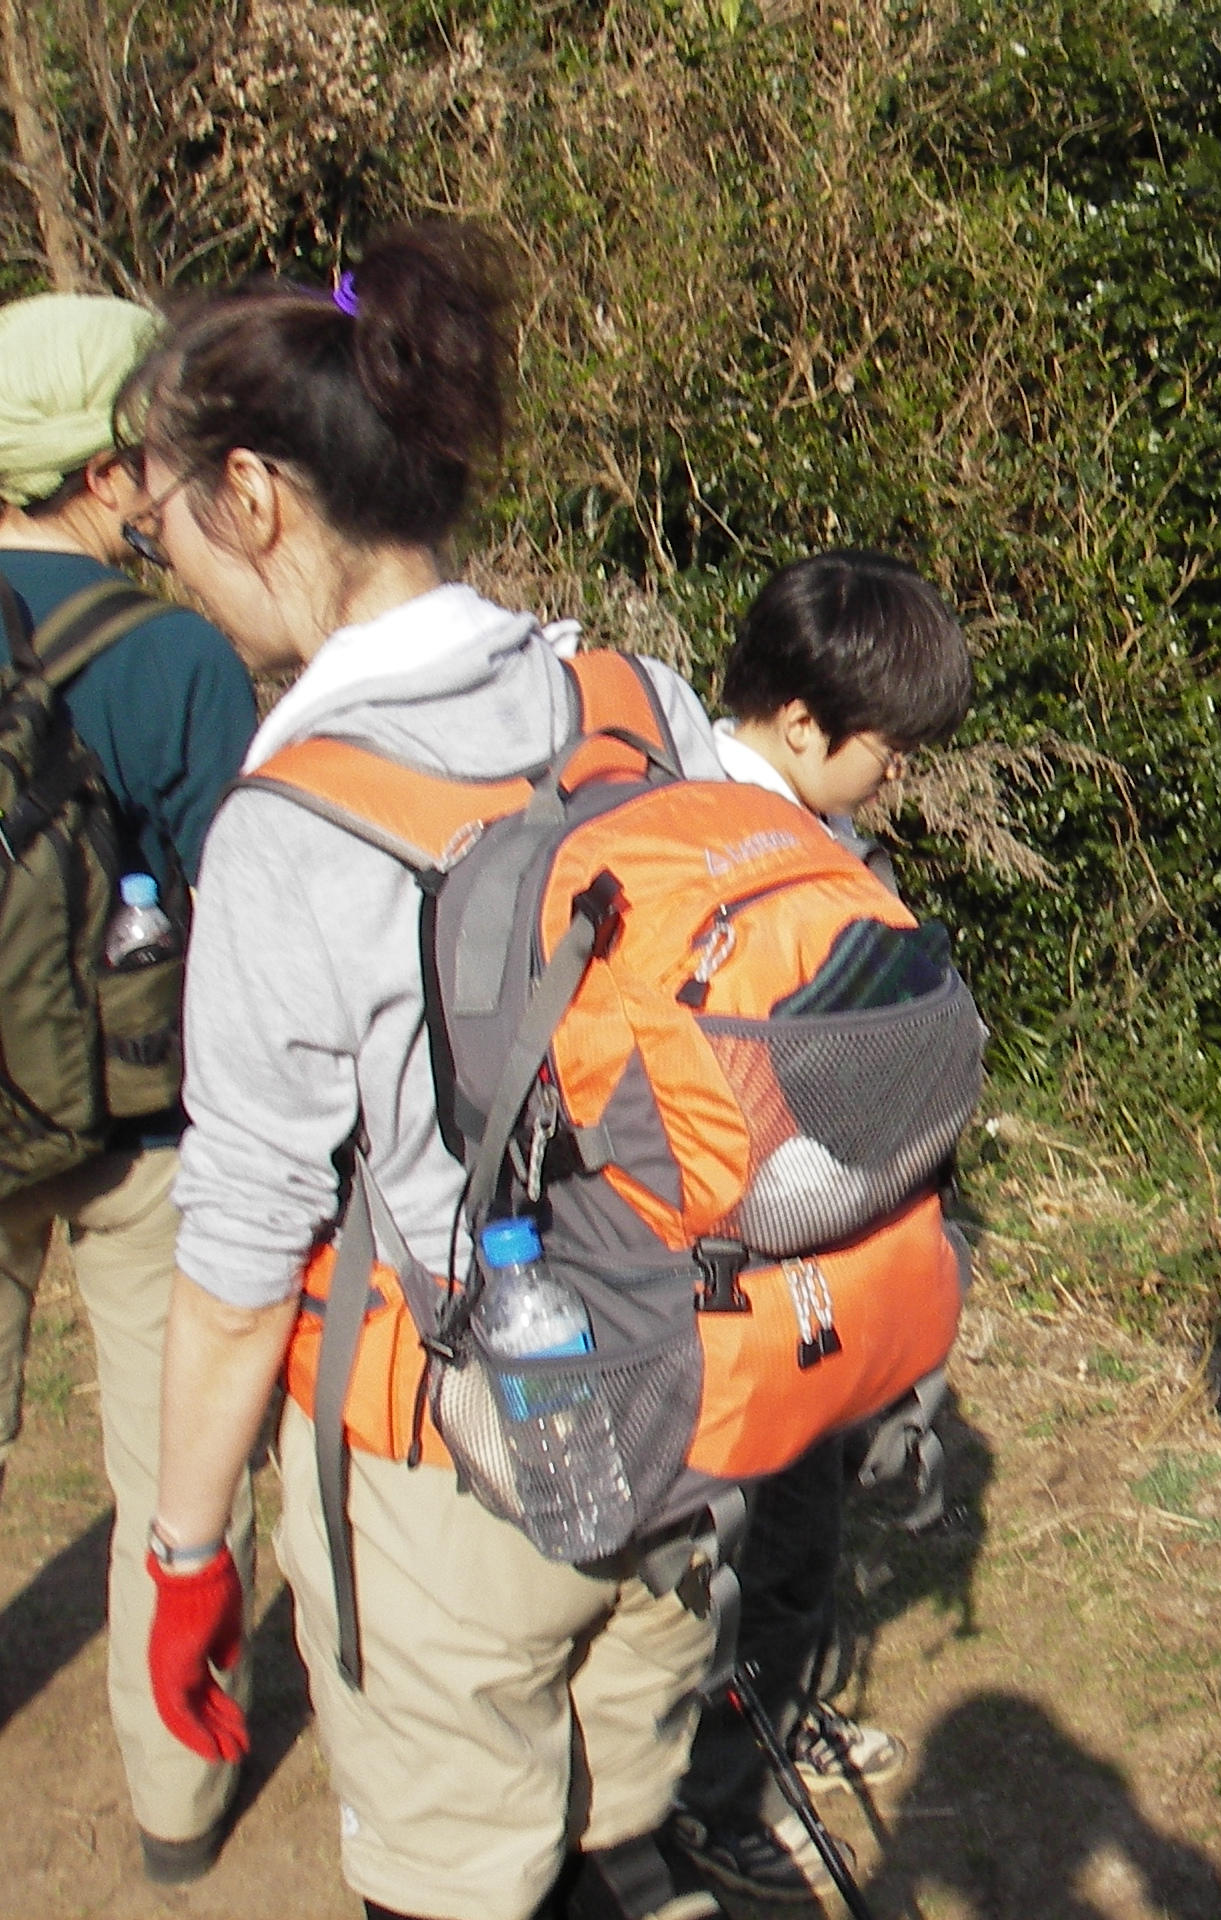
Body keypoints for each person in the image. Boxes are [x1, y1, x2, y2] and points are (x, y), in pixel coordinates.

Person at [132, 224, 731, 1920]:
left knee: (462, 1887)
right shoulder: (633, 699)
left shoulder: (291, 825)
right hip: (690, 1405)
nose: (173, 562)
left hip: (458, 1459)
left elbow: (241, 1265)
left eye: (166, 522)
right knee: (620, 1850)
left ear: (255, 494)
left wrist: (185, 1558)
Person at [0, 291, 260, 1885]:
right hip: (140, 1127)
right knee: (171, 1466)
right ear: (106, 474)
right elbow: (245, 912)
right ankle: (177, 1802)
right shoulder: (175, 655)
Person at [674, 549, 973, 1910]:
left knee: (772, 1547)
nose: (897, 775)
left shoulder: (687, 815)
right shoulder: (745, 858)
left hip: (746, 1283)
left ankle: (756, 1732)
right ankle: (717, 1800)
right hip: (744, 1287)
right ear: (802, 722)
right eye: (888, 749)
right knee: (751, 1557)